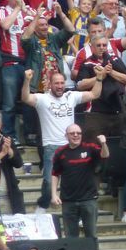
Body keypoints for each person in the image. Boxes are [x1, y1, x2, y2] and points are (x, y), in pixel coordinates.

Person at [21, 69, 102, 214]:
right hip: (51, 146)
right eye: (56, 83)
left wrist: (100, 79)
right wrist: (27, 80)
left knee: (76, 181)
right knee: (47, 180)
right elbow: (26, 98)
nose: (59, 86)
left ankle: (78, 212)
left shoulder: (71, 96)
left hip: (71, 146)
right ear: (50, 85)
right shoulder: (43, 99)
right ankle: (43, 206)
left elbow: (94, 94)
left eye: (62, 83)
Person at [51, 125, 109, 239]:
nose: (76, 135)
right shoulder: (60, 152)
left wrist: (103, 143)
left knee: (91, 234)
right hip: (68, 200)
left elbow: (105, 155)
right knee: (70, 236)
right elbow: (55, 174)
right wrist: (53, 194)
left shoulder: (90, 148)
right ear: (66, 136)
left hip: (88, 199)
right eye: (72, 133)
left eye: (78, 133)